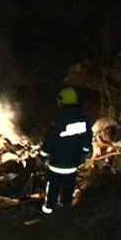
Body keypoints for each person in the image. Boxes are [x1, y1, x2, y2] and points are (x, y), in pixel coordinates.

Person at [39, 87, 93, 215]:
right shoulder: (84, 119)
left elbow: (50, 141)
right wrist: (83, 154)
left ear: (63, 100)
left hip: (57, 164)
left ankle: (48, 211)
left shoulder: (59, 120)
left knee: (52, 188)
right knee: (68, 188)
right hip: (73, 163)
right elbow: (87, 141)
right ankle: (65, 211)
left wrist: (42, 155)